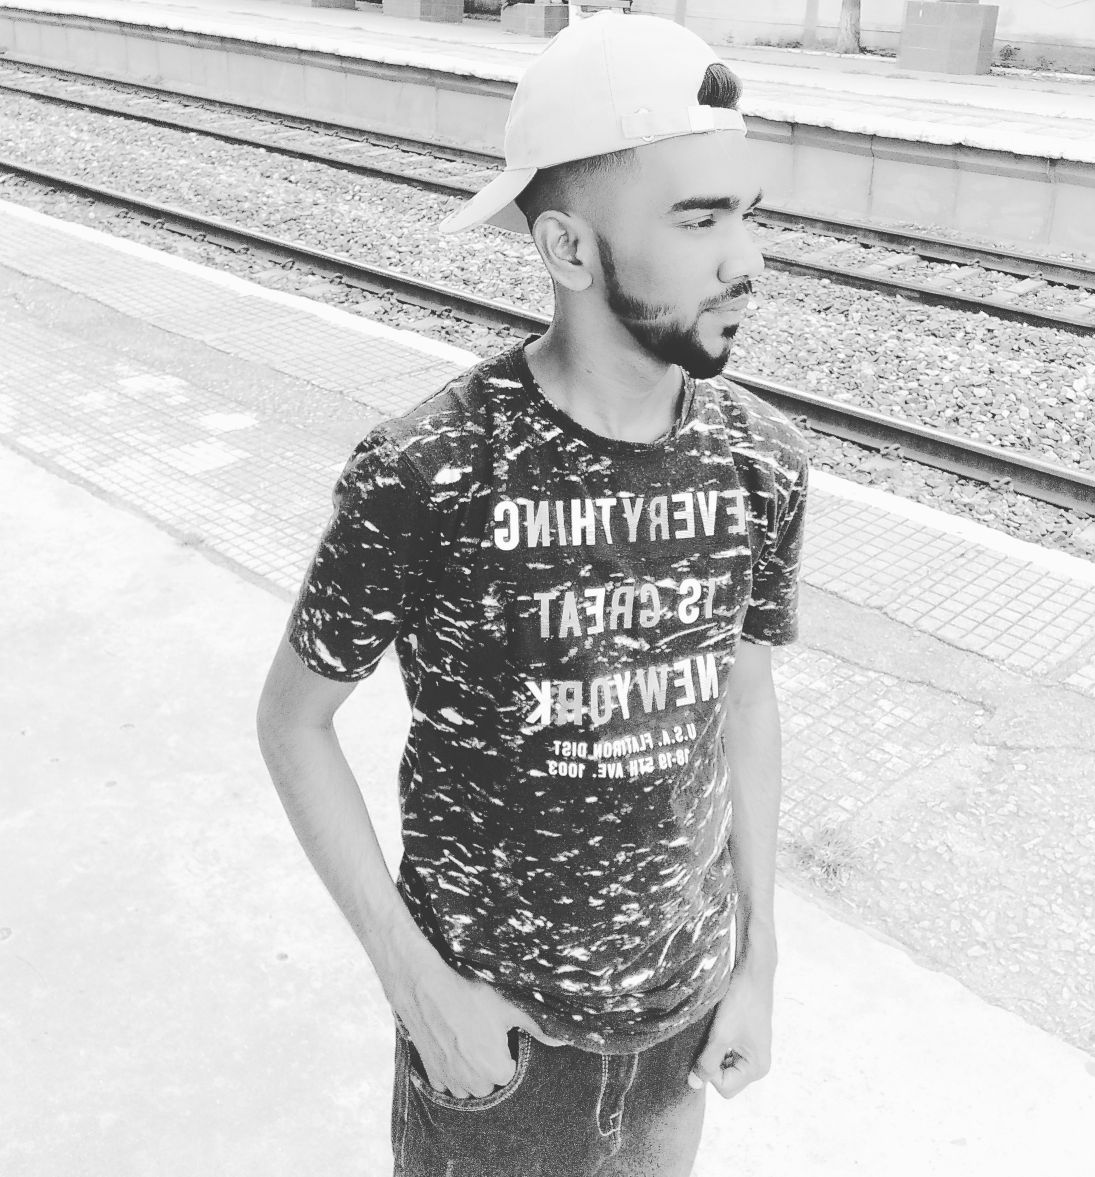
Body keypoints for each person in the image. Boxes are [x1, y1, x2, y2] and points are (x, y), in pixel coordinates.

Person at [256, 12, 807, 1177]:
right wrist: (419, 989)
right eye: (698, 218)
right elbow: (293, 722)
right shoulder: (428, 471)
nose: (746, 258)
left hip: (681, 1029)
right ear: (567, 247)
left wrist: (757, 960)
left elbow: (744, 701)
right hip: (492, 1051)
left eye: (748, 214)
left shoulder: (762, 462)